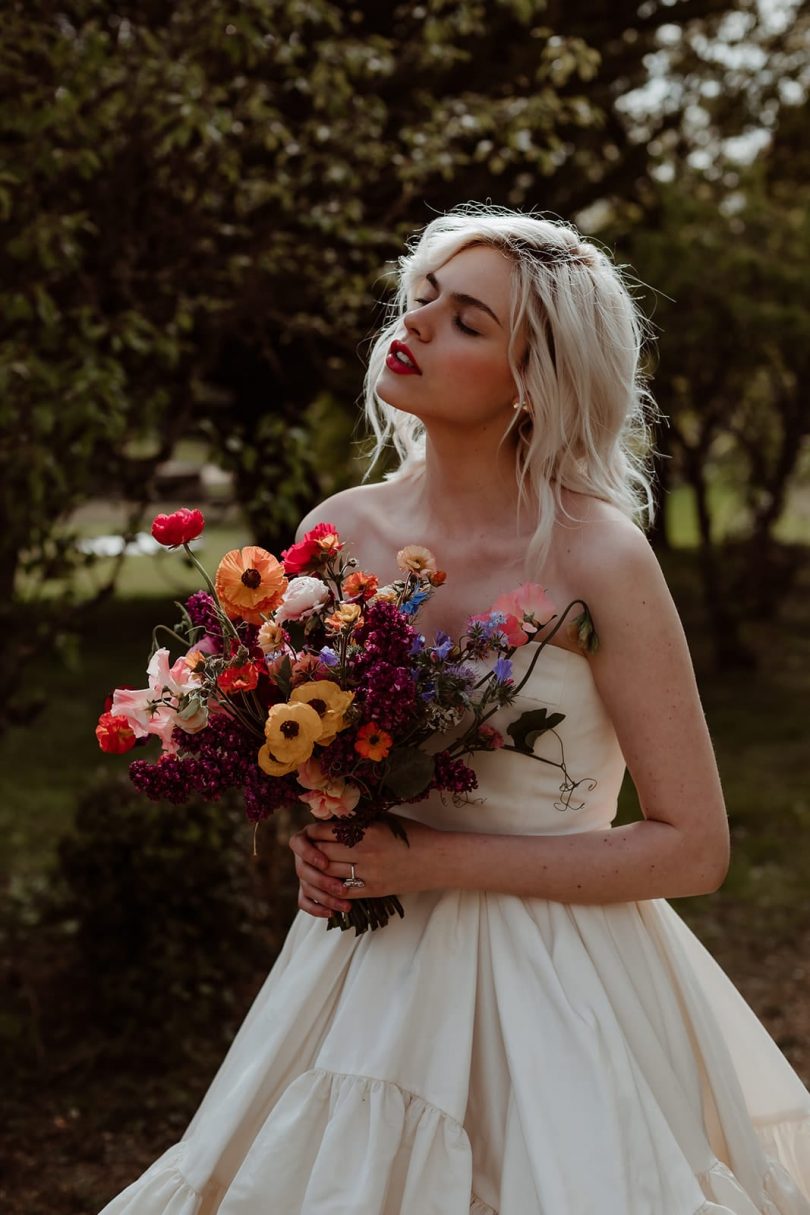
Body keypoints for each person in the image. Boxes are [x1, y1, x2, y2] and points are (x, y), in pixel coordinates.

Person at [99, 206, 810, 1214]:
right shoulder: (339, 532)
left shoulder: (596, 558)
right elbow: (321, 743)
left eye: (469, 320)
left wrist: (434, 861)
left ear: (535, 382)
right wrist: (324, 831)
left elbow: (694, 848)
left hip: (560, 986)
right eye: (425, 296)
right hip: (365, 976)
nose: (420, 323)